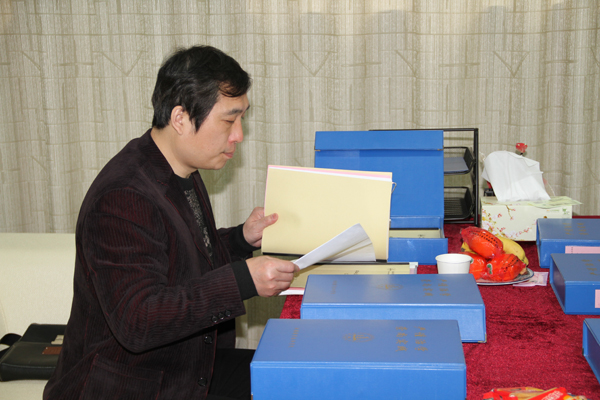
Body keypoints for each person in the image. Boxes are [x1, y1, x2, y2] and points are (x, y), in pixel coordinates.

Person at [43, 45, 298, 400]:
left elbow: (181, 259)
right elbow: (139, 320)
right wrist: (243, 280)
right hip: (129, 384)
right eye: (229, 120)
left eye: (242, 119)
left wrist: (242, 239)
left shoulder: (180, 169)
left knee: (297, 377)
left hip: (183, 364)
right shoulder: (123, 196)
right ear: (180, 118)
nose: (239, 135)